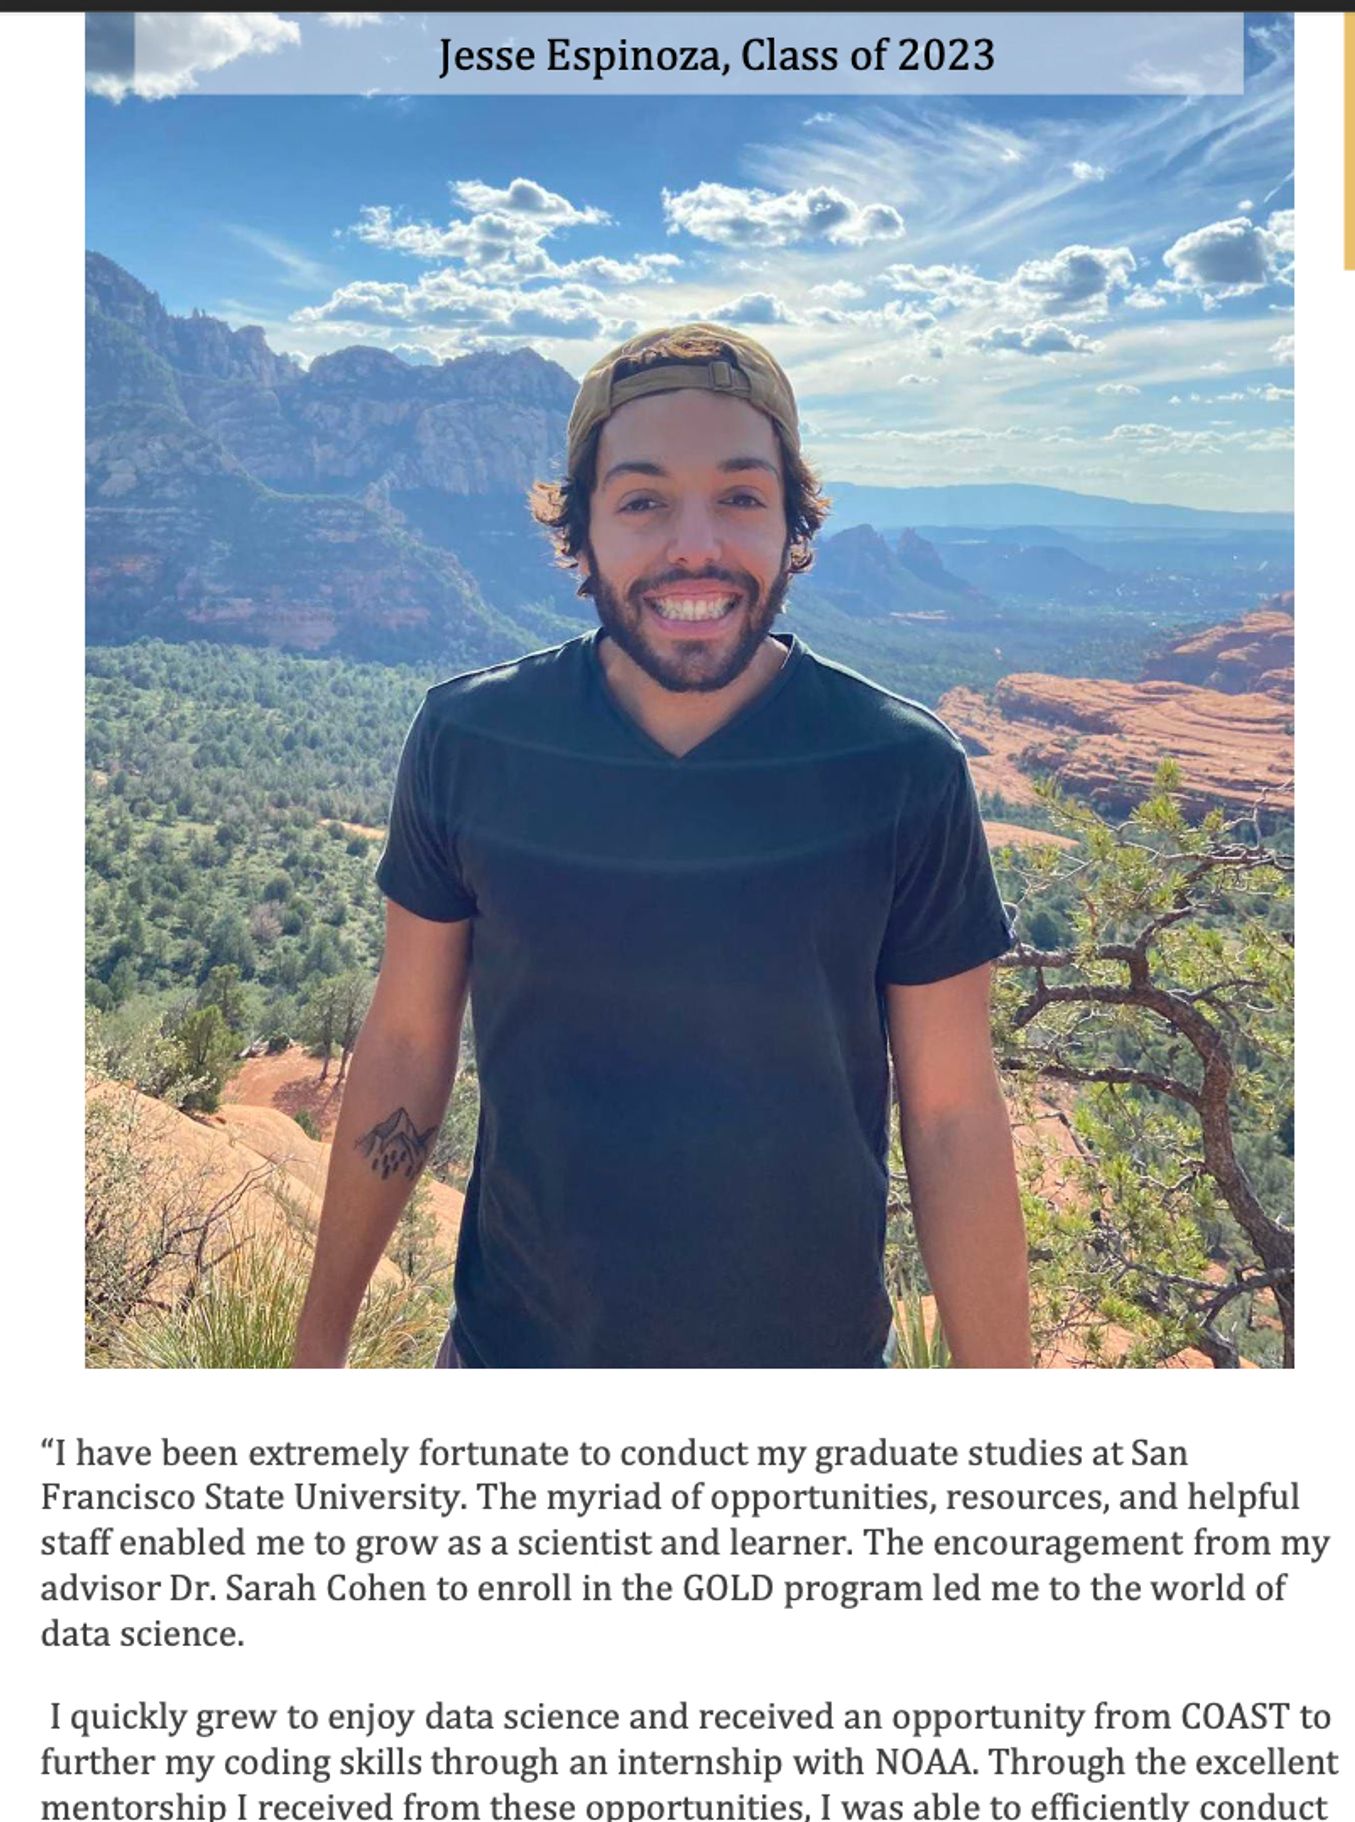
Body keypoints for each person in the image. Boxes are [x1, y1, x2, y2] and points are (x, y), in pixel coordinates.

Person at [292, 323, 1030, 1370]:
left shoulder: (900, 771)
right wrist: (315, 1350)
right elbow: (409, 1043)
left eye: (739, 496)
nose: (696, 545)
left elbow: (951, 1112)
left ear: (791, 525)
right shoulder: (470, 741)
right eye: (641, 500)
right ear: (581, 533)